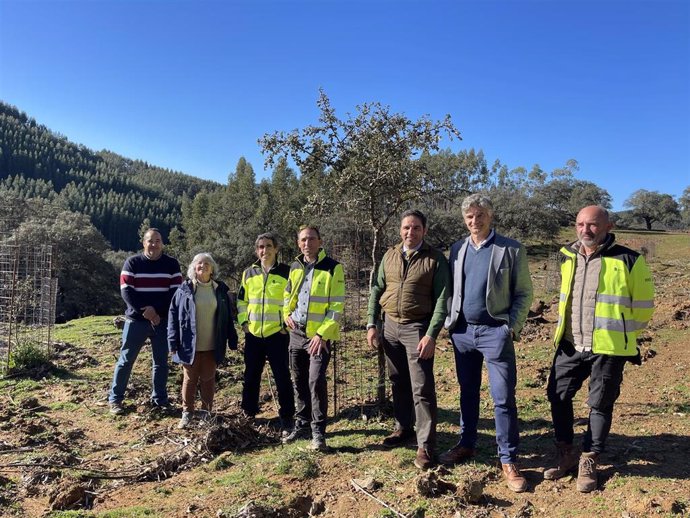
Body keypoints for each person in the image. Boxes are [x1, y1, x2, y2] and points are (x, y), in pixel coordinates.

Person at [544, 205, 654, 492]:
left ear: (608, 226)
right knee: (557, 395)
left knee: (600, 404)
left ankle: (589, 459)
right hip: (570, 343)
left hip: (609, 347)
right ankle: (566, 453)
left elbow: (643, 307)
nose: (585, 230)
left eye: (592, 225)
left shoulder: (629, 259)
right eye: (580, 224)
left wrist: (622, 335)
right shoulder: (567, 255)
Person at [440, 194, 533, 493]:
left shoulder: (511, 249)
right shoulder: (457, 249)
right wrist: (449, 324)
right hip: (463, 333)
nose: (474, 221)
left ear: (490, 216)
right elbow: (451, 290)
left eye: (479, 215)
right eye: (469, 216)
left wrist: (511, 328)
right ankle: (466, 444)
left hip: (496, 333)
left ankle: (508, 459)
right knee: (467, 392)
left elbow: (524, 293)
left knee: (503, 397)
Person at [367, 209, 450, 470]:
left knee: (422, 387)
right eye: (406, 228)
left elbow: (442, 299)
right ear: (399, 230)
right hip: (390, 326)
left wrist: (431, 334)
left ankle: (425, 445)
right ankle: (403, 427)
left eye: (415, 228)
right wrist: (372, 323)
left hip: (418, 328)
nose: (410, 232)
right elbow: (377, 289)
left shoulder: (435, 259)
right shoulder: (390, 255)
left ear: (424, 230)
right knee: (398, 380)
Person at [282, 225, 345, 451]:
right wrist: (285, 314)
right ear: (299, 243)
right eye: (303, 240)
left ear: (320, 241)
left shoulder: (333, 268)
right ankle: (302, 425)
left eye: (311, 239)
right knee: (298, 381)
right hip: (296, 334)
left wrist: (322, 334)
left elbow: (337, 306)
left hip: (319, 337)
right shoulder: (295, 267)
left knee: (315, 381)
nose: (307, 243)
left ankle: (319, 433)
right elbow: (288, 293)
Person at [109, 228, 183, 414]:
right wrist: (147, 312)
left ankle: (160, 399)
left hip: (162, 321)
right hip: (136, 321)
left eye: (158, 241)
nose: (154, 244)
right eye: (150, 241)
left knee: (161, 363)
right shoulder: (131, 263)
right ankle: (115, 400)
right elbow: (127, 292)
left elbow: (175, 293)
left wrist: (156, 311)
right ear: (144, 243)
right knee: (126, 360)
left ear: (162, 243)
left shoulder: (172, 265)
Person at [167, 253, 238, 428]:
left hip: (212, 344)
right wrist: (172, 341)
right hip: (189, 344)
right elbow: (173, 316)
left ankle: (207, 412)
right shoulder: (184, 290)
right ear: (193, 267)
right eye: (199, 263)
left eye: (207, 263)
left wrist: (232, 338)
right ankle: (187, 413)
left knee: (208, 379)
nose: (203, 266)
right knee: (190, 379)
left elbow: (228, 317)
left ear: (212, 268)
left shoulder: (220, 290)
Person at [237, 233, 295, 432]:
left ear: (276, 249)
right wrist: (244, 322)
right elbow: (242, 301)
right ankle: (248, 413)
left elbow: (293, 302)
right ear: (256, 250)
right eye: (261, 247)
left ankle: (287, 416)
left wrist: (285, 327)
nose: (264, 250)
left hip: (277, 335)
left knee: (282, 376)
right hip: (253, 335)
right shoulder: (249, 273)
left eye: (268, 246)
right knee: (251, 375)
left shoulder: (287, 273)